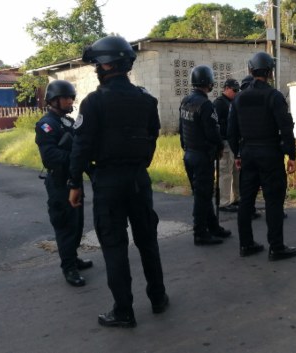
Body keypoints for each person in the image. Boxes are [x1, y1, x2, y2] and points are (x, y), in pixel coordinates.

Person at [68, 35, 169, 328]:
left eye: (96, 65)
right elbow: (152, 138)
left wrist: (75, 182)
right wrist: (139, 166)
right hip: (139, 179)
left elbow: (81, 146)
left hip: (109, 182)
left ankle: (124, 311)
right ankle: (158, 297)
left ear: (106, 64)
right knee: (148, 241)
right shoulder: (147, 99)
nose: (95, 70)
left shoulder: (94, 102)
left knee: (114, 246)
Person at [227, 51, 296, 261]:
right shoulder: (274, 96)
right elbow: (286, 128)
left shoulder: (239, 97)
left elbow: (231, 131)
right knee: (273, 201)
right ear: (270, 72)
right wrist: (291, 155)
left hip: (247, 153)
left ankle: (246, 244)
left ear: (250, 69)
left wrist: (237, 153)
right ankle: (276, 247)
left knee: (246, 201)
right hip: (270, 153)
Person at [35, 80, 92, 287]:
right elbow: (50, 156)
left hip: (74, 180)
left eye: (71, 97)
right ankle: (69, 268)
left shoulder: (68, 122)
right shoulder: (46, 124)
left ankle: (73, 257)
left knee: (77, 224)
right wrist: (75, 158)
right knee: (65, 226)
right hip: (59, 182)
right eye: (66, 98)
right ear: (54, 100)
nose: (70, 101)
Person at [179, 65, 232, 245]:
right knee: (202, 196)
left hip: (189, 154)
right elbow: (212, 132)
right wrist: (218, 145)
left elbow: (182, 129)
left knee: (203, 193)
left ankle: (213, 226)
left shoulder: (185, 101)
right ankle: (200, 233)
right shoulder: (205, 104)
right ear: (208, 82)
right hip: (202, 156)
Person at [213, 79, 241, 213]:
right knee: (225, 173)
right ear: (227, 88)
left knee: (236, 172)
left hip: (234, 143)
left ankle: (236, 198)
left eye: (237, 90)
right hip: (224, 142)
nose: (236, 93)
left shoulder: (232, 102)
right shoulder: (219, 103)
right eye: (234, 90)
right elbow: (215, 126)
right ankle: (223, 203)